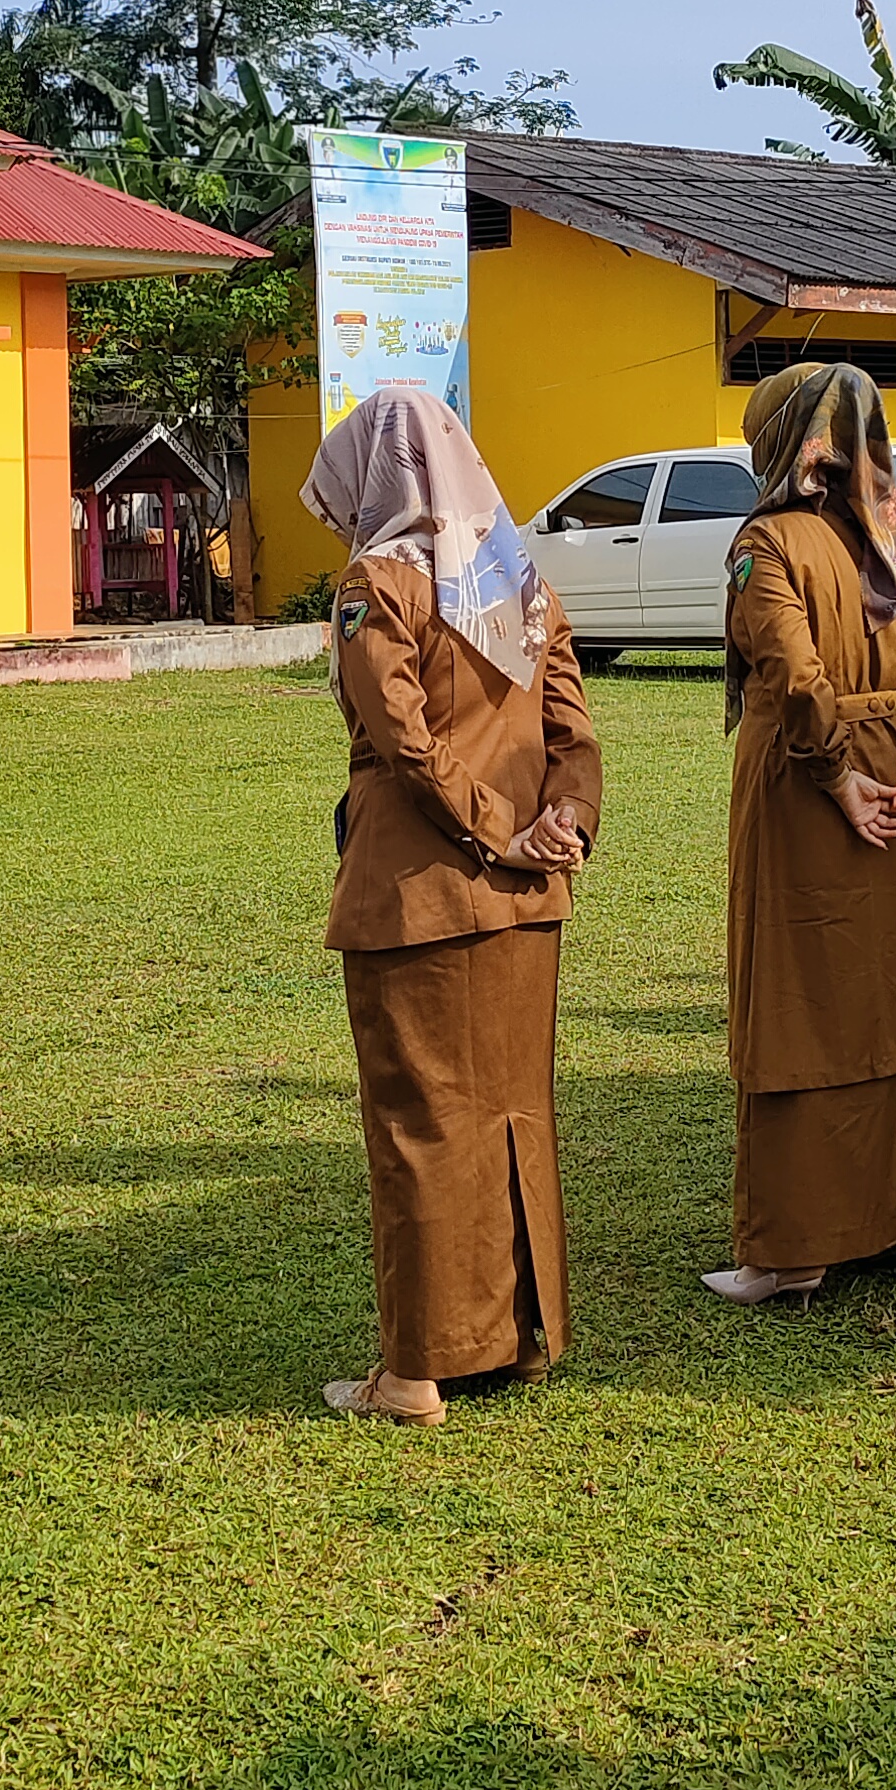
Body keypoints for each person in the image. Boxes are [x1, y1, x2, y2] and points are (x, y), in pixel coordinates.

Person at [306, 385, 604, 1424]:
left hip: (420, 897)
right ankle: (514, 1337)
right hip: (525, 902)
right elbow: (572, 730)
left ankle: (416, 1371)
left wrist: (498, 826)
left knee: (421, 1125)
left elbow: (402, 740)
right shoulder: (521, 588)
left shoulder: (375, 585)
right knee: (511, 1113)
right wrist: (561, 822)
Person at [713, 359, 896, 1301]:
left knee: (799, 997)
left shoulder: (771, 542)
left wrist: (837, 776)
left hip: (805, 786)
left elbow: (793, 677)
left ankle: (791, 1250)